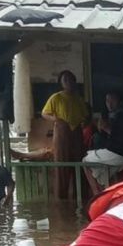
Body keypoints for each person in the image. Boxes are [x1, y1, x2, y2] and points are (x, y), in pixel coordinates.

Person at [41, 70, 89, 199]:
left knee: (78, 164)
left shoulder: (78, 99)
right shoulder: (56, 97)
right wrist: (56, 120)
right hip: (62, 132)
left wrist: (82, 123)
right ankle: (61, 199)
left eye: (70, 79)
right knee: (62, 166)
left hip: (77, 133)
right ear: (61, 83)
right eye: (65, 80)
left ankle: (79, 198)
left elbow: (85, 116)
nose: (68, 82)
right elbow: (44, 113)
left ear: (74, 81)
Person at [82, 90, 123, 194]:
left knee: (85, 160)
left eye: (113, 100)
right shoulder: (112, 115)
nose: (109, 103)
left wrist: (106, 128)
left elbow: (122, 138)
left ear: (119, 102)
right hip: (115, 153)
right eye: (107, 100)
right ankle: (104, 193)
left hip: (120, 154)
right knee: (98, 165)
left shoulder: (122, 116)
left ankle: (96, 193)